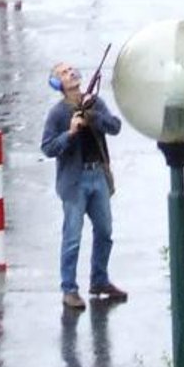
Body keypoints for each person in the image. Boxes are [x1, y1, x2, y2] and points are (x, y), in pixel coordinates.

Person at [41, 61, 126, 310]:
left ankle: (99, 280)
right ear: (59, 84)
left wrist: (93, 116)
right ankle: (69, 289)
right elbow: (47, 147)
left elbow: (115, 127)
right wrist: (70, 133)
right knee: (72, 237)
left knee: (105, 231)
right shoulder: (57, 114)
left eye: (72, 69)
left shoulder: (94, 103)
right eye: (64, 72)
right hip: (74, 182)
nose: (72, 73)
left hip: (98, 175)